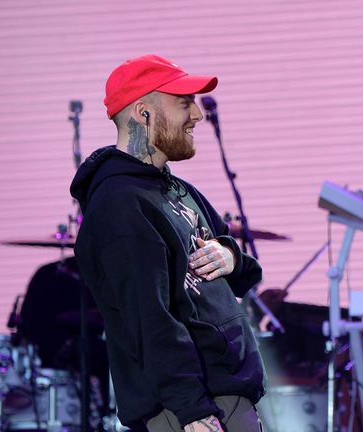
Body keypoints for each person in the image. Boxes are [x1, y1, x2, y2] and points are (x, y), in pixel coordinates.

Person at [70, 54, 266, 432]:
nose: (197, 114)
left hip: (222, 396)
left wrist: (229, 256)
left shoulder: (176, 190)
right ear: (143, 112)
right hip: (190, 411)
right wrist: (192, 412)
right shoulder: (120, 204)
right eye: (183, 102)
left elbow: (244, 271)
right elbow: (150, 320)